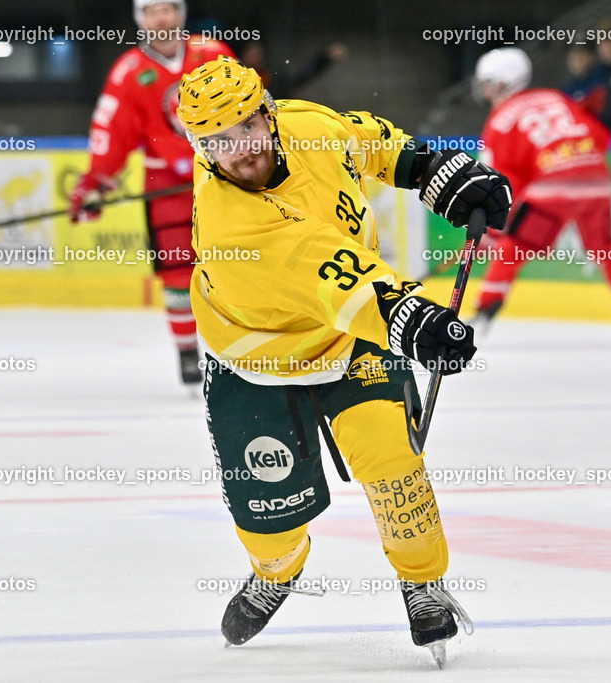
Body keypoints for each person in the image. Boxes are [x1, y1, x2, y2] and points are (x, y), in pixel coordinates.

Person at [176, 55, 511, 666]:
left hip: (352, 338)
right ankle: (276, 571)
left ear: (269, 115)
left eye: (245, 129)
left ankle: (423, 582)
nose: (239, 152)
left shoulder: (309, 125)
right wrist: (413, 319)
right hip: (259, 362)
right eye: (215, 142)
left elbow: (375, 145)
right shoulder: (233, 226)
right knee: (270, 524)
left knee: (394, 465)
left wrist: (438, 171)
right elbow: (338, 282)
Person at [68, 0, 235, 385]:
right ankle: (188, 352)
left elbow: (247, 110)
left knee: (237, 263)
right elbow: (112, 133)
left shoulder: (213, 54)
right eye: (152, 11)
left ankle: (240, 346)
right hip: (167, 188)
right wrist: (96, 182)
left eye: (168, 9)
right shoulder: (129, 72)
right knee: (178, 271)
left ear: (181, 13)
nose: (161, 17)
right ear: (141, 20)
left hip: (224, 179)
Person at [468, 47, 611, 342]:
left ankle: (484, 313)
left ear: (502, 84)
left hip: (551, 191)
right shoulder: (555, 97)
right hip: (597, 180)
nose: (485, 91)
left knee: (514, 247)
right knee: (605, 246)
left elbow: (503, 182)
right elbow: (601, 138)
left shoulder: (500, 120)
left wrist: (490, 231)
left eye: (488, 83)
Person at [562, 43, 607, 117]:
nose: (576, 60)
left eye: (581, 54)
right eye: (573, 55)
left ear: (592, 56)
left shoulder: (602, 77)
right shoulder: (570, 86)